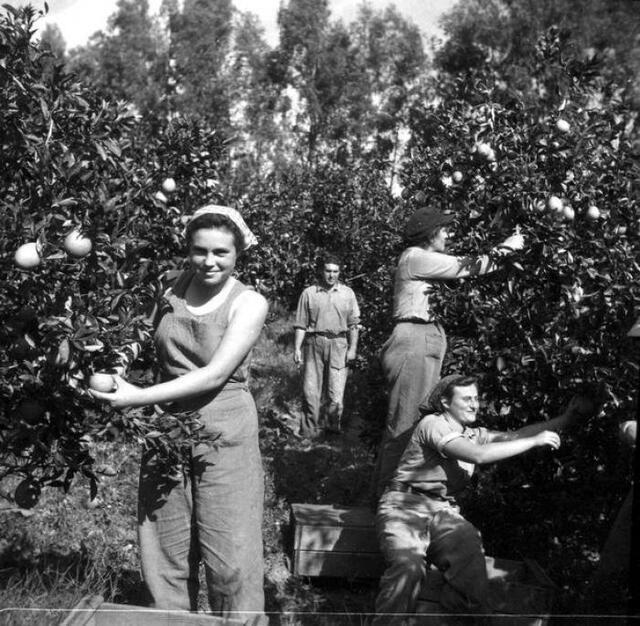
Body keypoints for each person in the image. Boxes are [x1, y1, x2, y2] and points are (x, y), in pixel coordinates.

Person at [90, 205, 269, 625]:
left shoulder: (250, 302)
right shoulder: (170, 289)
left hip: (224, 425)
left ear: (238, 252)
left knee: (231, 551)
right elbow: (136, 338)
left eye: (221, 252)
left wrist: (139, 396)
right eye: (199, 250)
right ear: (188, 249)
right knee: (163, 541)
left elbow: (215, 374)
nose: (209, 261)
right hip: (166, 426)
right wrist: (114, 369)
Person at [374, 374, 588, 624]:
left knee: (470, 547)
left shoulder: (473, 433)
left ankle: (452, 612)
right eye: (466, 399)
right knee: (408, 567)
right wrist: (534, 442)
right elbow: (477, 455)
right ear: (445, 402)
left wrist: (567, 418)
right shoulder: (433, 424)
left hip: (442, 510)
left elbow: (516, 435)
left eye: (476, 398)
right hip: (403, 506)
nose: (475, 404)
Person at [374, 205, 526, 497]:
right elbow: (466, 266)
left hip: (424, 338)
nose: (448, 234)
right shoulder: (416, 258)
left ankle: (396, 495)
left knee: (411, 422)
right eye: (443, 229)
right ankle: (388, 501)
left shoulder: (419, 260)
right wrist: (507, 248)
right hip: (415, 339)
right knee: (405, 425)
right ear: (430, 234)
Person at [293, 255, 360, 437]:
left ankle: (332, 429)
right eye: (328, 271)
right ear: (322, 271)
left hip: (339, 344)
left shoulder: (348, 293)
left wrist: (353, 349)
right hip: (314, 343)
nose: (331, 275)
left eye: (335, 271)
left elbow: (354, 324)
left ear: (340, 272)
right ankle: (308, 431)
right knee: (310, 389)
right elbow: (300, 324)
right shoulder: (309, 293)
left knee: (336, 391)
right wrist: (297, 349)